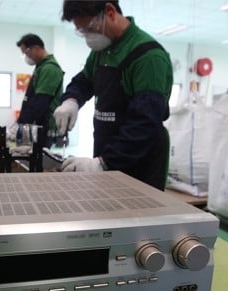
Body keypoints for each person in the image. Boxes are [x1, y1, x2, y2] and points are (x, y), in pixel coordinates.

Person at [54, 0, 173, 190]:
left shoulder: (148, 56)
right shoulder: (102, 50)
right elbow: (84, 80)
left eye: (90, 27)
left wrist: (102, 163)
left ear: (109, 12)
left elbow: (144, 123)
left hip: (141, 162)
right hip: (108, 151)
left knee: (135, 216)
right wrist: (71, 100)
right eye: (82, 31)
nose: (88, 37)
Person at [16, 34, 65, 148]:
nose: (26, 57)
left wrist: (25, 124)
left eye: (27, 53)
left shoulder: (49, 68)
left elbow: (41, 101)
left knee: (38, 160)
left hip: (44, 124)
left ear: (37, 48)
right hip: (37, 124)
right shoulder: (41, 67)